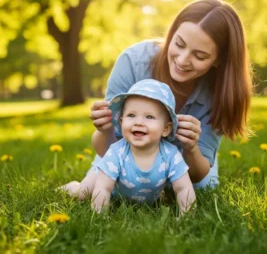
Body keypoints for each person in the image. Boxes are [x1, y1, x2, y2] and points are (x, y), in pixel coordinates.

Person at [90, 0, 252, 189]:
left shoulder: (221, 91)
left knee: (201, 188)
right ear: (172, 33)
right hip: (128, 154)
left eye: (200, 56)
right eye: (179, 44)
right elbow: (105, 151)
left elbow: (197, 175)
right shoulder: (133, 62)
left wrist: (191, 149)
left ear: (218, 60)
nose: (183, 60)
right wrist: (105, 129)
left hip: (186, 161)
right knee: (98, 185)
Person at [61, 79, 196, 214]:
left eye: (149, 117)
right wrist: (100, 217)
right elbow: (103, 188)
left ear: (166, 129)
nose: (138, 122)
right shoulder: (117, 152)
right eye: (131, 115)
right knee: (83, 193)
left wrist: (186, 216)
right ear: (121, 122)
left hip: (145, 196)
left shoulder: (171, 155)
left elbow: (184, 188)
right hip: (106, 180)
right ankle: (70, 187)